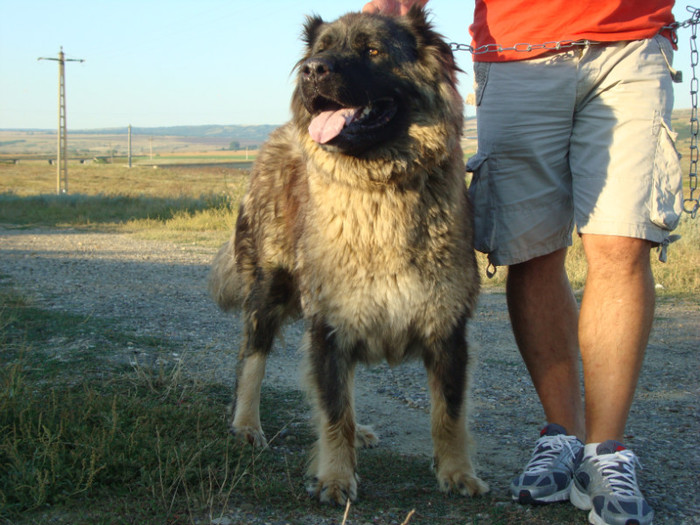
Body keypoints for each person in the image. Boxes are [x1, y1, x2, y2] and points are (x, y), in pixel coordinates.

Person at [361, 1, 684, 525]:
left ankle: (606, 453)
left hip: (631, 41)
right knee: (529, 250)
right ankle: (563, 435)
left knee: (621, 242)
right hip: (516, 53)